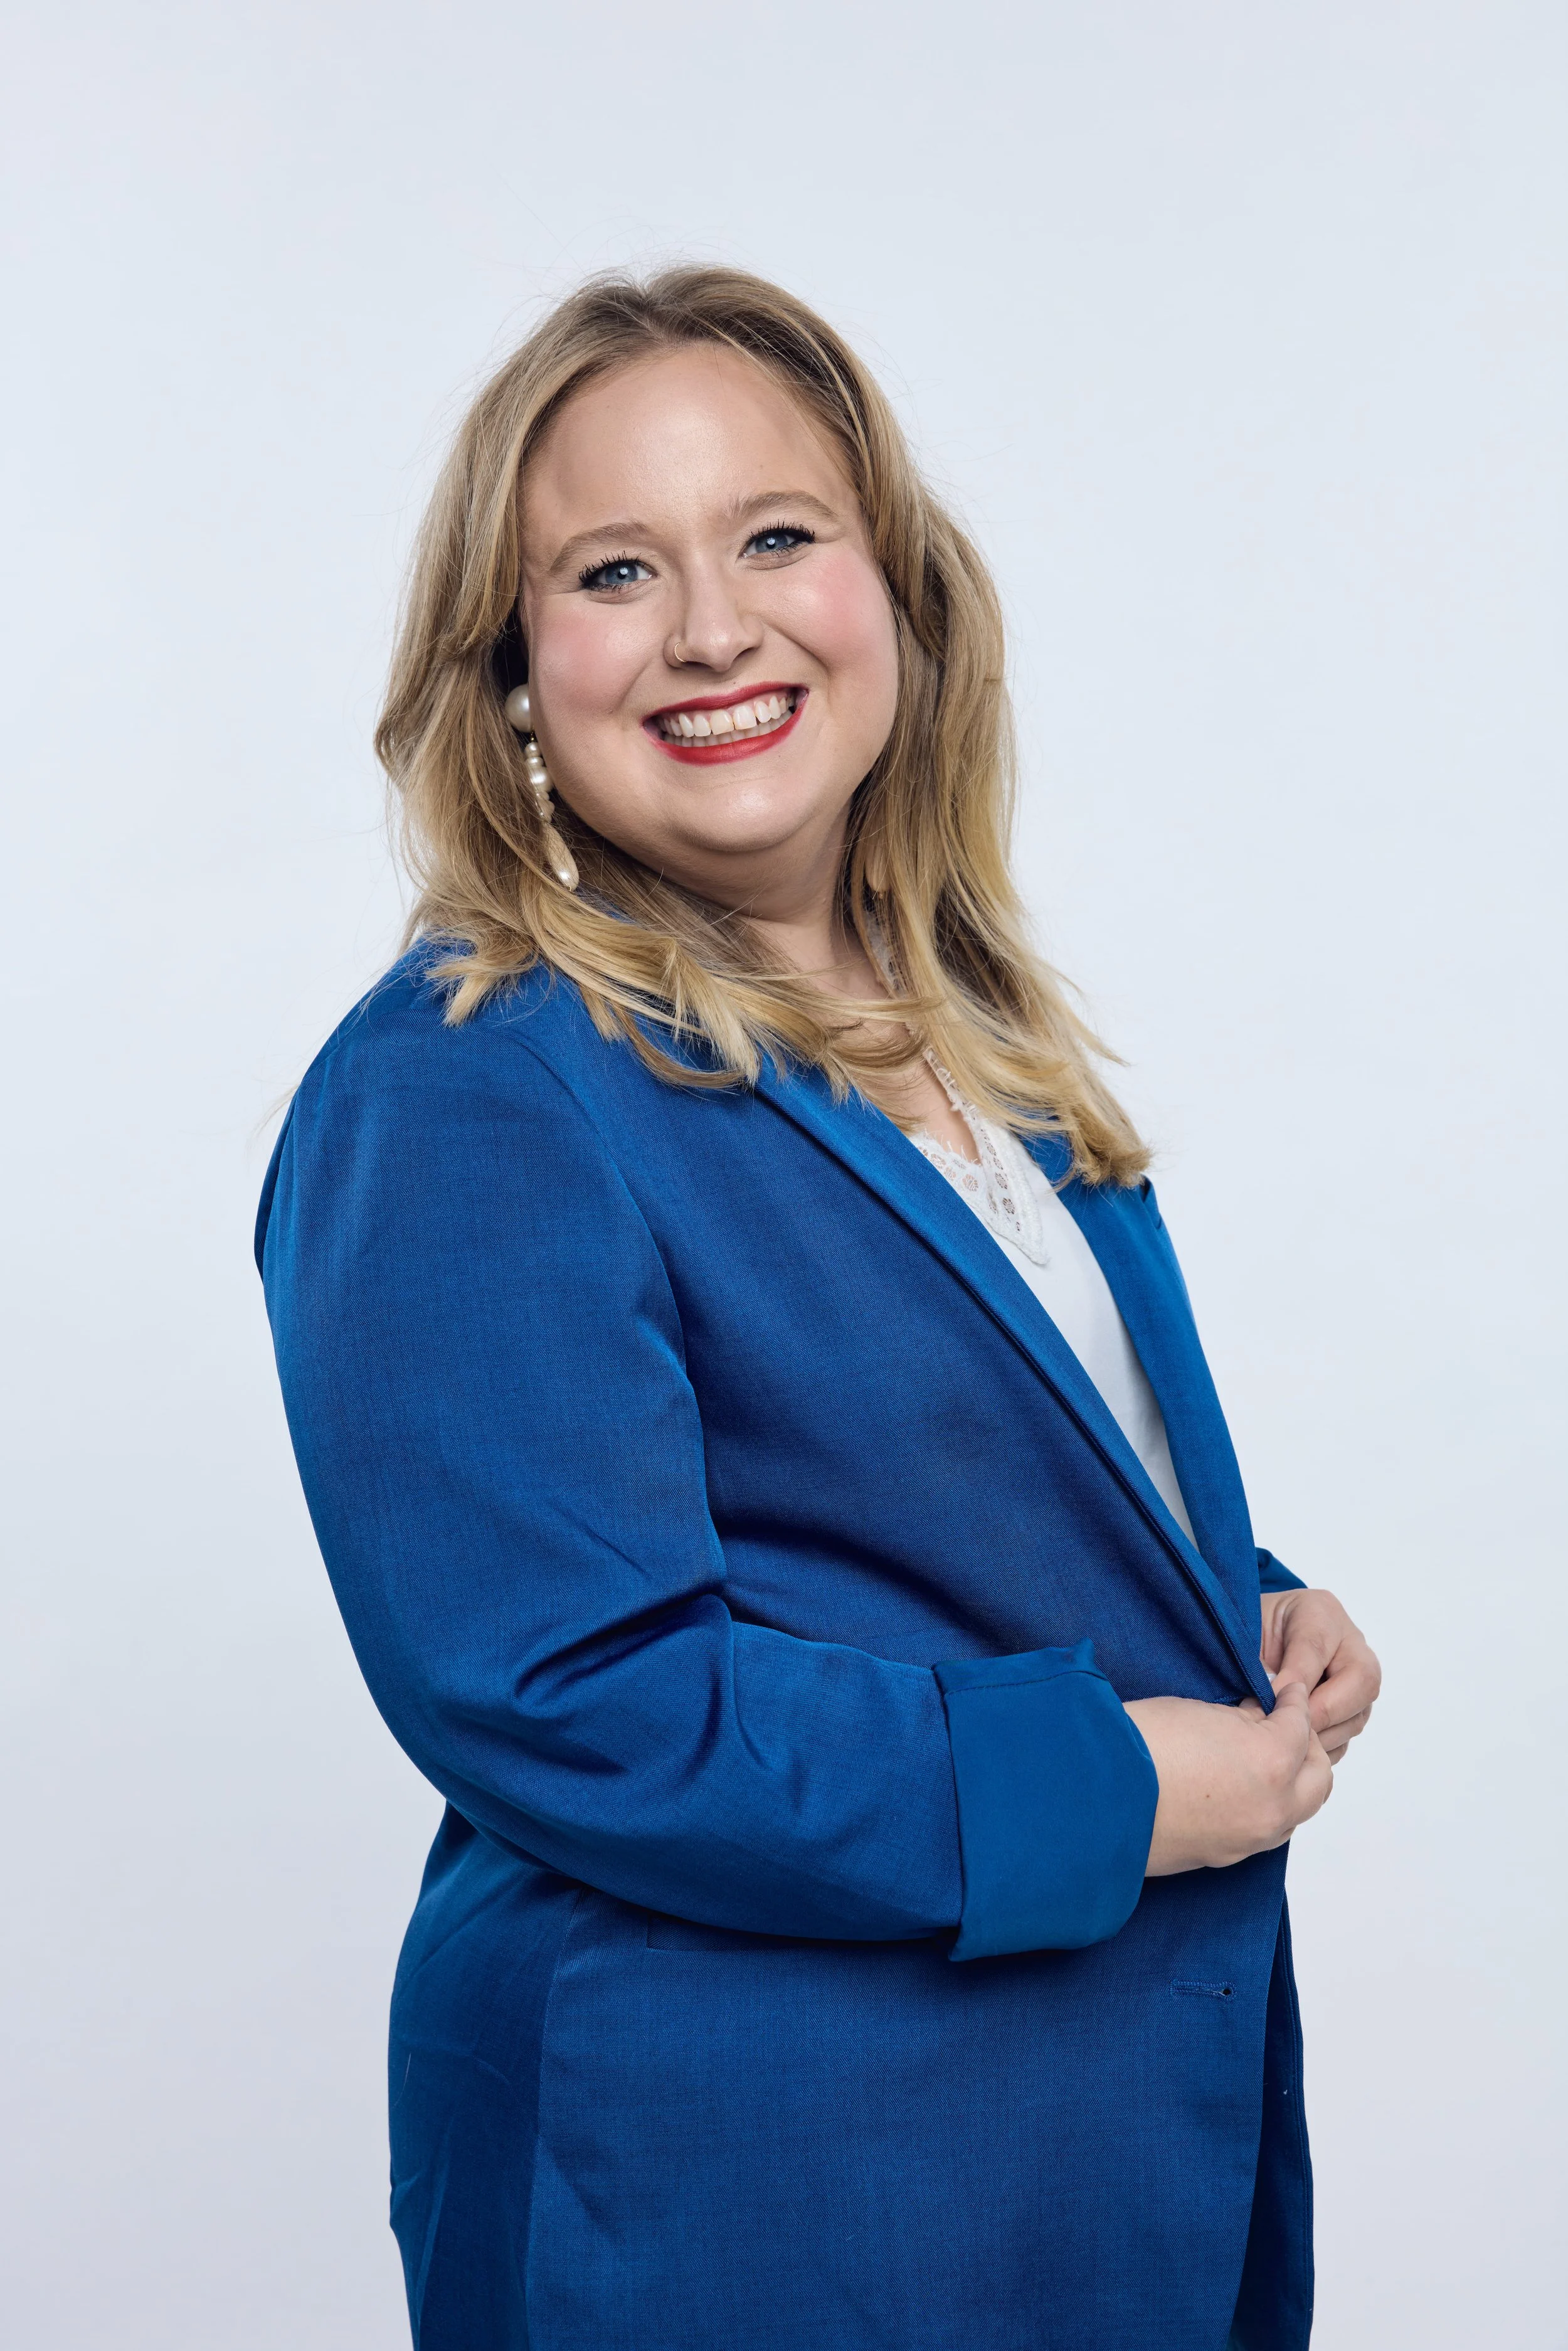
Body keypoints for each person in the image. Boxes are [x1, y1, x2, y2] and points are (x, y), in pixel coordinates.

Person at [257, 266, 1380, 2351]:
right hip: (754, 2198)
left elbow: (903, 1506)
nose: (710, 626)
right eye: (612, 570)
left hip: (1071, 2155)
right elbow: (564, 1677)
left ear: (898, 593)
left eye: (776, 534)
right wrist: (1116, 1788)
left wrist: (1230, 1601)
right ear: (511, 674)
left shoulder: (980, 1049)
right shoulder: (475, 1071)